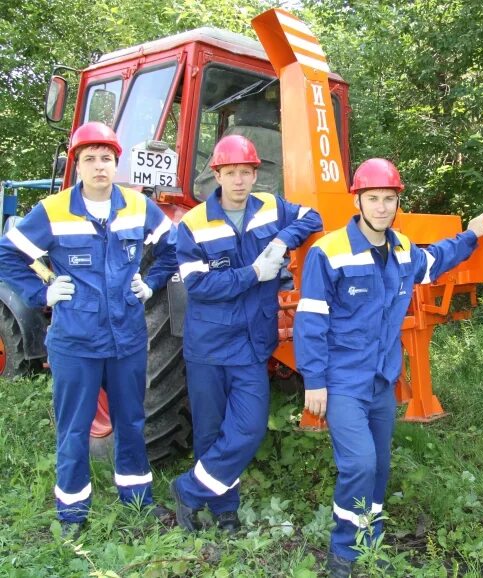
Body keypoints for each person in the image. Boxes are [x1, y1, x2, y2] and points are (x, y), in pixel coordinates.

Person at [293, 158, 483, 576]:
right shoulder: (328, 252)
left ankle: (369, 540)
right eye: (374, 199)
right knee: (360, 464)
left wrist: (471, 236)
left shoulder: (402, 249)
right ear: (359, 200)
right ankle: (343, 553)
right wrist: (314, 380)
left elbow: (436, 259)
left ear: (396, 201)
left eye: (389, 199)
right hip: (342, 379)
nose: (382, 207)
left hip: (383, 379)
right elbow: (310, 321)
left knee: (381, 466)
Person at [0, 121, 178, 535]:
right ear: (77, 166)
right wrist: (42, 293)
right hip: (75, 342)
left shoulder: (138, 207)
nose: (99, 166)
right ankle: (73, 514)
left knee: (132, 422)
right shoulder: (53, 211)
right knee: (75, 428)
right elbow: (8, 255)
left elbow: (173, 248)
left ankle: (137, 501)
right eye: (90, 159)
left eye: (106, 159)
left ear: (117, 164)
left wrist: (150, 284)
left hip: (128, 339)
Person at [170, 135, 322, 534]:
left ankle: (188, 489)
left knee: (249, 428)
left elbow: (313, 217)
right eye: (230, 172)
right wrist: (253, 274)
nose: (239, 180)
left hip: (253, 344)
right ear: (217, 174)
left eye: (246, 172)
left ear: (256, 174)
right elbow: (198, 286)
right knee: (210, 431)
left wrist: (282, 240)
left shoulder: (272, 208)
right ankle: (225, 511)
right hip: (208, 345)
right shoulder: (192, 224)